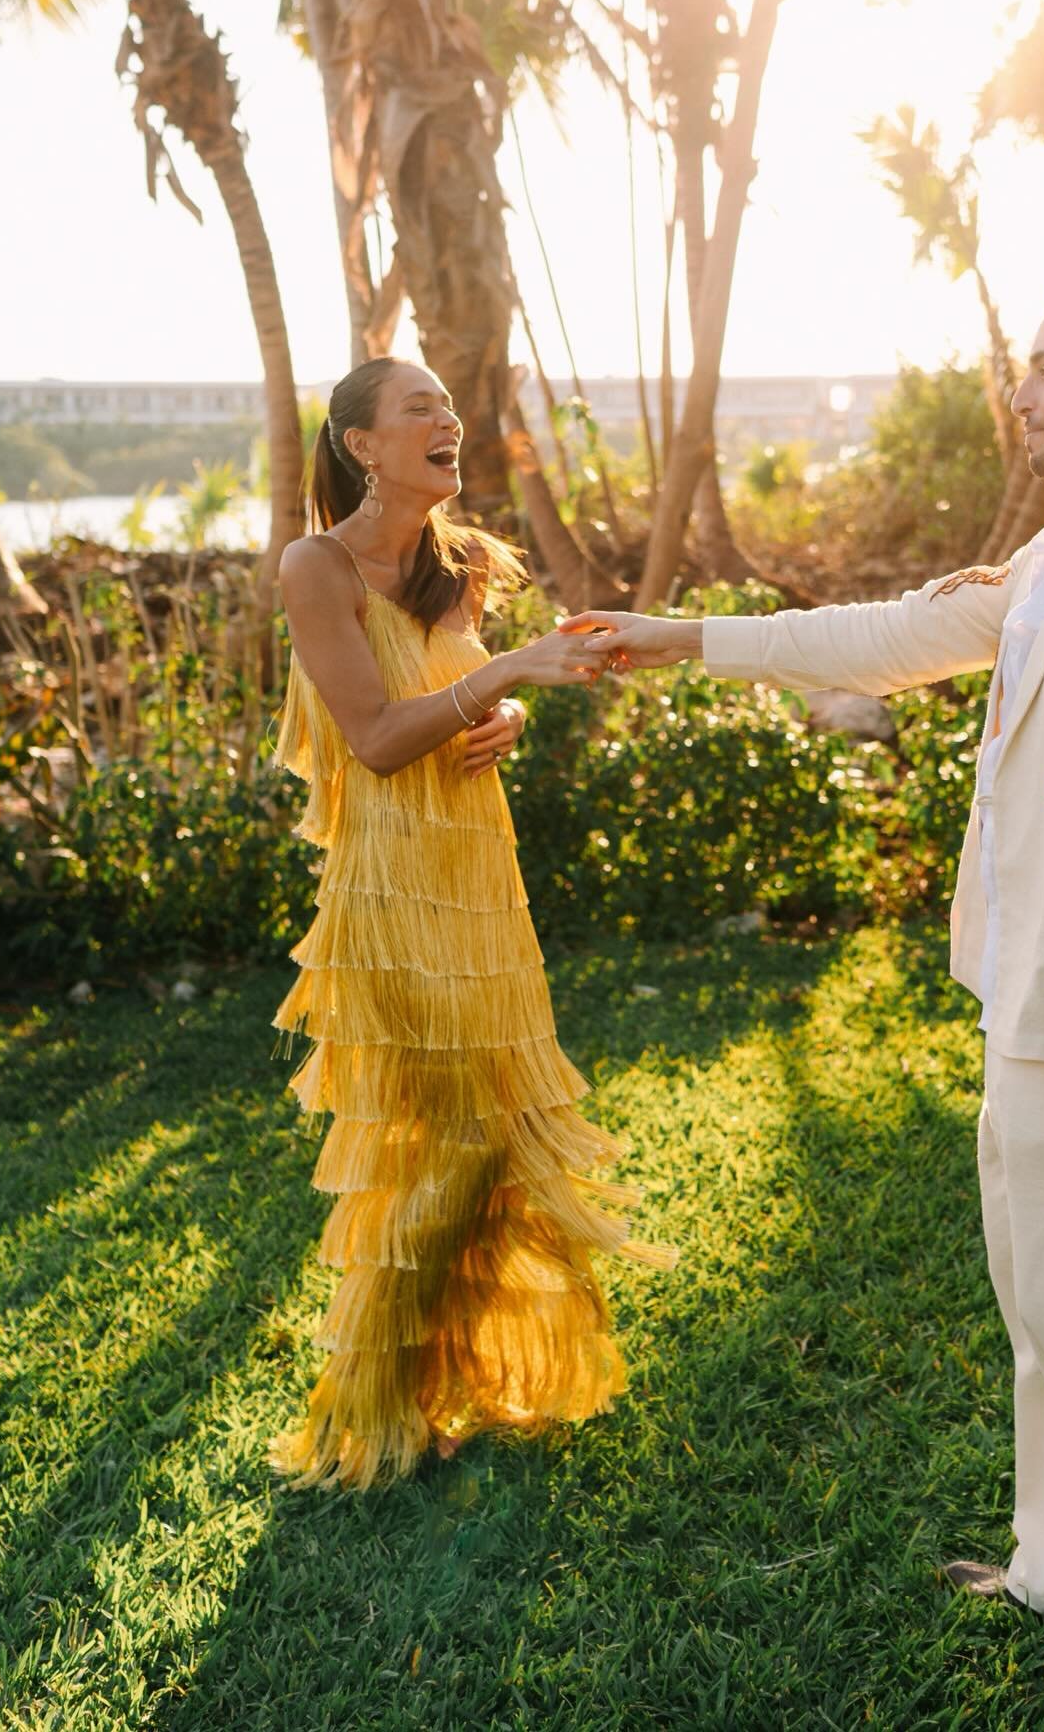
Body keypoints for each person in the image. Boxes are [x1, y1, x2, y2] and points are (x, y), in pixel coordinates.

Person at [571, 278, 1044, 1709]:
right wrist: (684, 639)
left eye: (1042, 368)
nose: (1018, 390)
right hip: (1035, 982)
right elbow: (889, 636)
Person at [270, 355, 674, 1491]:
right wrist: (507, 674)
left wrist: (505, 722)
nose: (448, 421)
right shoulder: (317, 565)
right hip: (393, 895)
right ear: (360, 445)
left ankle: (441, 1387)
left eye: (449, 407)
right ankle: (369, 1412)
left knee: (486, 1139)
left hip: (481, 878)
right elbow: (379, 739)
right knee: (454, 1141)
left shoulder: (461, 566)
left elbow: (453, 705)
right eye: (419, 410)